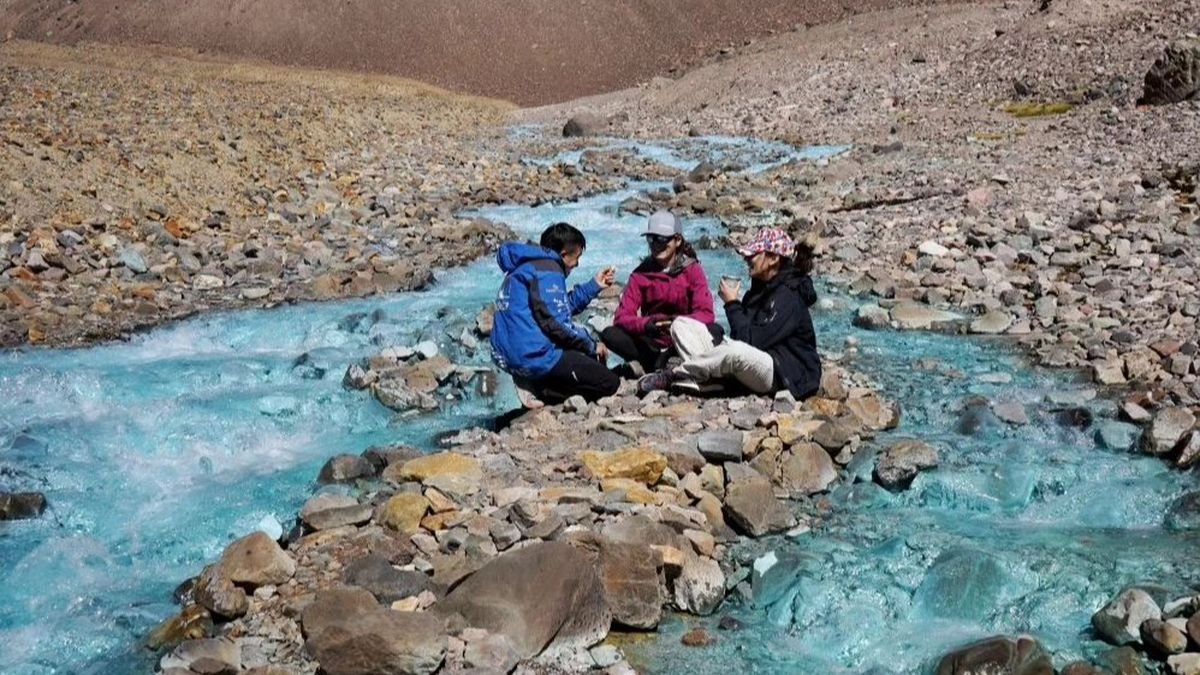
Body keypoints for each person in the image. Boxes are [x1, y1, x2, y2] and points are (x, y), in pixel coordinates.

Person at [638, 227, 822, 399]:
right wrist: (734, 305)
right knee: (681, 325)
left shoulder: (788, 295)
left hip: (782, 372)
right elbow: (741, 335)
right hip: (753, 360)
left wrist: (732, 304)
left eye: (753, 255)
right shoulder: (759, 289)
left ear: (773, 259)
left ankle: (675, 374)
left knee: (735, 351)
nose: (747, 259)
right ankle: (710, 382)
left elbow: (751, 343)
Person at [490, 222, 620, 405]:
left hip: (505, 354)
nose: (577, 264)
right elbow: (558, 325)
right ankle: (542, 389)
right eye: (577, 257)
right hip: (531, 356)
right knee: (610, 383)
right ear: (564, 254)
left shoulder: (527, 266)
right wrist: (592, 345)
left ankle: (536, 380)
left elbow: (558, 308)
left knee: (581, 355)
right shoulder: (549, 271)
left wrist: (595, 285)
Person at [600, 210, 719, 375]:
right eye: (651, 239)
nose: (656, 244)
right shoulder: (639, 275)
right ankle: (665, 363)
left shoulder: (693, 270)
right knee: (609, 334)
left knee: (715, 330)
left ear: (677, 240)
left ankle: (659, 363)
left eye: (662, 239)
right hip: (652, 341)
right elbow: (621, 318)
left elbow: (706, 314)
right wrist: (647, 324)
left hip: (684, 337)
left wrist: (677, 323)